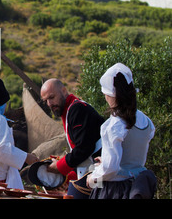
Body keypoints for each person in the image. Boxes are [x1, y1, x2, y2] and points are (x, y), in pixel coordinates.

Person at [87, 63, 156, 199]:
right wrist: (107, 160)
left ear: (110, 95)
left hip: (116, 191)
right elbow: (131, 156)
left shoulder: (113, 125)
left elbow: (111, 169)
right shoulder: (146, 121)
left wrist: (93, 178)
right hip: (137, 188)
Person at [40, 78, 104, 181]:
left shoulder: (77, 109)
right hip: (92, 170)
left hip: (97, 171)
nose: (49, 104)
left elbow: (84, 148)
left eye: (51, 97)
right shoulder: (69, 110)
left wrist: (60, 166)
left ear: (64, 91)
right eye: (46, 100)